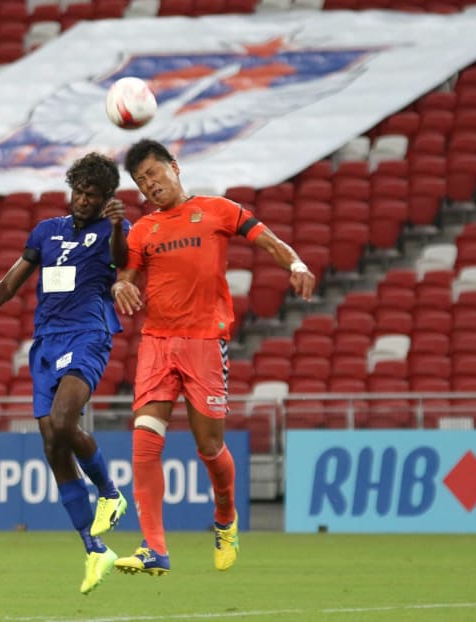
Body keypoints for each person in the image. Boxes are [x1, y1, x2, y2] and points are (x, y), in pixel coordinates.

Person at [110, 139, 316, 576]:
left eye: (154, 173)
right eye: (141, 180)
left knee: (209, 446)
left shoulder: (218, 209)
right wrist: (120, 285)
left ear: (175, 167)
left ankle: (225, 519)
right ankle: (154, 548)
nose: (150, 184)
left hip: (205, 342)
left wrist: (295, 265)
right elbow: (126, 274)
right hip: (157, 341)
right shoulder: (143, 229)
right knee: (145, 440)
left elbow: (267, 240)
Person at [0, 152, 130, 595]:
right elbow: (10, 284)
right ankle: (94, 548)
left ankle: (110, 492)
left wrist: (120, 227)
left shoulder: (111, 232)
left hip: (88, 334)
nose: (82, 200)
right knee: (52, 443)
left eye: (92, 195)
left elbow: (124, 261)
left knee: (65, 422)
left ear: (106, 200)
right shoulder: (47, 232)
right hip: (46, 343)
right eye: (78, 191)